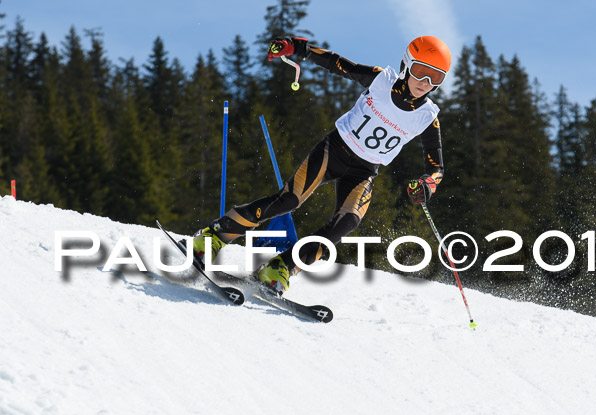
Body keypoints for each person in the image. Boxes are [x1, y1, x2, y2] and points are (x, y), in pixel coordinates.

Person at [191, 35, 451, 294]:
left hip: (365, 171)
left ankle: (281, 267)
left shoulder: (427, 118)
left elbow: (436, 168)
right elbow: (340, 64)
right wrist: (302, 49)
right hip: (334, 150)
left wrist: (427, 185)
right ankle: (213, 236)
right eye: (420, 72)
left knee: (346, 222)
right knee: (289, 200)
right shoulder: (382, 80)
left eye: (435, 77)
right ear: (407, 65)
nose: (425, 82)